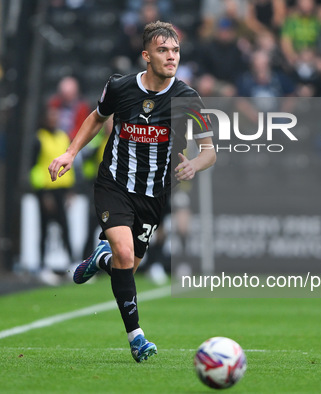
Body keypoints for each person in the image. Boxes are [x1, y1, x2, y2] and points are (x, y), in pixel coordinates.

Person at [48, 21, 216, 362]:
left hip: (154, 195)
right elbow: (97, 118)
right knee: (126, 255)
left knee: (128, 265)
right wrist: (70, 152)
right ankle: (137, 338)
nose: (171, 57)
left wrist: (194, 165)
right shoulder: (120, 87)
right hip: (114, 184)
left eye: (175, 51)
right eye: (163, 50)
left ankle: (101, 258)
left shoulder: (188, 98)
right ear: (146, 56)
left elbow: (209, 149)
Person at [30, 106, 75, 285]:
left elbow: (70, 164)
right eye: (50, 117)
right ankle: (42, 266)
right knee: (44, 228)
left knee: (65, 228)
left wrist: (71, 190)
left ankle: (72, 264)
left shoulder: (63, 137)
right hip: (46, 190)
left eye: (55, 117)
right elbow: (34, 168)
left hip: (62, 190)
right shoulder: (39, 138)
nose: (53, 120)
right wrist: (43, 192)